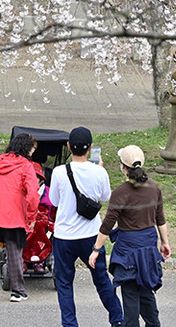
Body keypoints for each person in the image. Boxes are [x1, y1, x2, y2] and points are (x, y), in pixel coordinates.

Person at [88, 145, 171, 327]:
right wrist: (165, 243)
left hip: (128, 252)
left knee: (130, 295)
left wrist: (96, 249)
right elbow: (160, 219)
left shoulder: (120, 193)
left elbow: (107, 225)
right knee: (147, 292)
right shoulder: (154, 188)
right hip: (148, 248)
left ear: (123, 167)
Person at [49, 126, 124, 327]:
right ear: (90, 148)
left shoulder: (59, 172)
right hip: (91, 235)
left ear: (68, 146)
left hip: (65, 235)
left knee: (64, 283)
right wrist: (99, 167)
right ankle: (117, 318)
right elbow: (105, 196)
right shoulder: (99, 172)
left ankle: (70, 324)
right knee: (101, 280)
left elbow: (54, 200)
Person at [0, 132, 40, 304]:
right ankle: (17, 291)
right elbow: (33, 195)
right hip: (13, 217)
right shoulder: (26, 166)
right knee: (14, 255)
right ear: (28, 149)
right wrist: (31, 216)